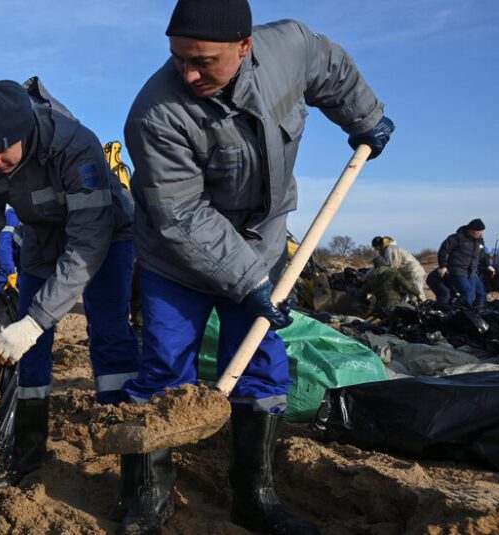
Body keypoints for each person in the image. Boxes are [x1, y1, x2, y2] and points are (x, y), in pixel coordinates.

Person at [123, 1, 394, 533]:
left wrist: (364, 117)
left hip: (263, 242)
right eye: (178, 59)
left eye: (203, 61)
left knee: (261, 366)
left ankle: (255, 497)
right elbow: (181, 214)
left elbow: (330, 66)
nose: (189, 73)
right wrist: (248, 282)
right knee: (163, 367)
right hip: (176, 256)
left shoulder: (289, 47)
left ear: (245, 47)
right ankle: (147, 501)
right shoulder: (156, 114)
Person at [0, 77, 139, 484]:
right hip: (40, 239)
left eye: (0, 152)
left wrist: (36, 321)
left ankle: (128, 461)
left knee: (108, 332)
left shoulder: (76, 145)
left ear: (26, 133)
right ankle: (28, 450)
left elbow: (88, 241)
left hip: (104, 236)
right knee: (28, 350)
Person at [437, 218, 495, 307]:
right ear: (472, 230)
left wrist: (488, 265)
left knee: (481, 293)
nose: (481, 233)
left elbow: (483, 254)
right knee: (467, 293)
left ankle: (476, 314)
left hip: (472, 272)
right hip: (458, 271)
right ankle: (458, 314)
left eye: (482, 231)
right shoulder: (456, 238)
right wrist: (443, 266)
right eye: (479, 231)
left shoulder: (479, 240)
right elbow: (443, 251)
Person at [371, 236, 426, 301]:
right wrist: (367, 274)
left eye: (376, 247)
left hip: (414, 273)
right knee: (406, 298)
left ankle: (425, 309)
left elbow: (391, 267)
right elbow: (379, 266)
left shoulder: (391, 249)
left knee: (416, 297)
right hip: (406, 275)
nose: (376, 249)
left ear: (380, 245)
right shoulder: (384, 252)